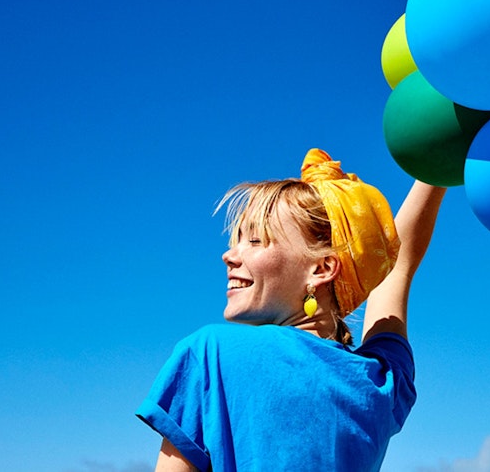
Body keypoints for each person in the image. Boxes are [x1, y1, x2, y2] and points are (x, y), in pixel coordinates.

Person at [136, 148, 446, 472]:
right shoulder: (381, 382)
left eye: (255, 241)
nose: (228, 255)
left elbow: (397, 264)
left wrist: (440, 152)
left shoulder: (210, 354)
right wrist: (444, 157)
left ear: (322, 268)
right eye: (235, 240)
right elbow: (398, 269)